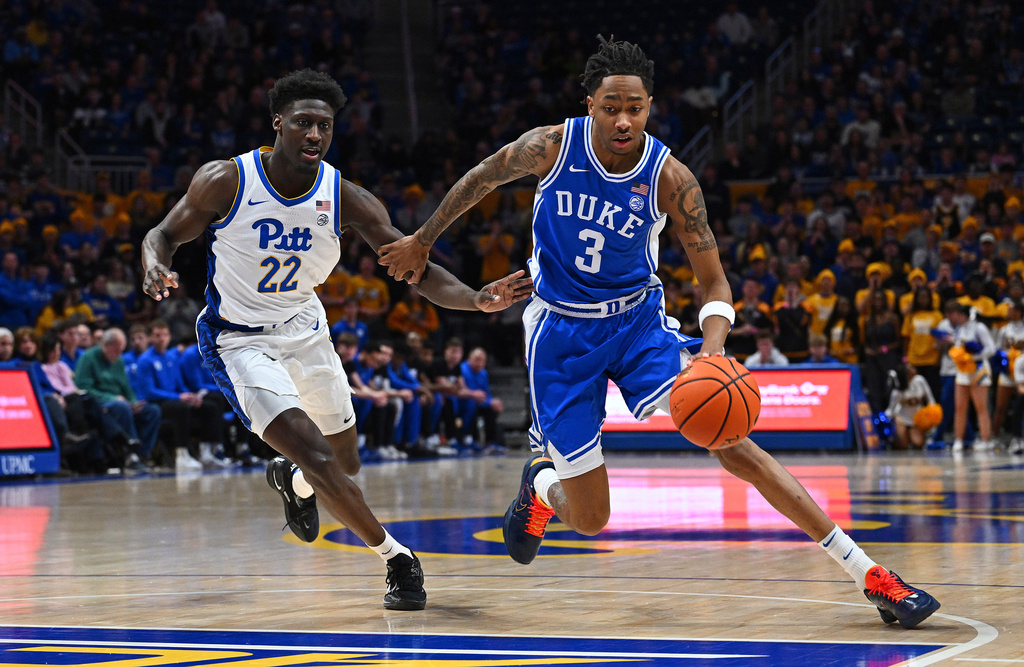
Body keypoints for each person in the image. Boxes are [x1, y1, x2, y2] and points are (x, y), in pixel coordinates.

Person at [376, 37, 938, 627]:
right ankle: (542, 487)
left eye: (636, 108)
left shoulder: (671, 178)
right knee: (592, 519)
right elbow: (481, 178)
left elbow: (715, 284)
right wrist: (423, 238)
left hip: (637, 322)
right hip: (560, 336)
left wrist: (712, 355)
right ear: (589, 102)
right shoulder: (549, 146)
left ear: (650, 107)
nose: (624, 119)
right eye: (611, 106)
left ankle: (870, 574)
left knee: (734, 440)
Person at [140, 69, 532, 611]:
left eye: (324, 125)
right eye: (303, 122)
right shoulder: (226, 181)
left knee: (343, 464)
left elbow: (414, 265)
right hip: (241, 342)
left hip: (306, 328)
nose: (314, 134)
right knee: (322, 457)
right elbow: (161, 233)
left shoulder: (347, 199)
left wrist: (475, 299)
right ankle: (397, 558)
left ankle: (294, 483)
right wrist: (153, 263)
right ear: (278, 123)